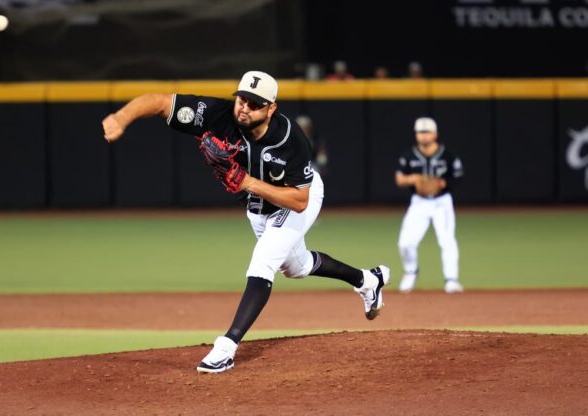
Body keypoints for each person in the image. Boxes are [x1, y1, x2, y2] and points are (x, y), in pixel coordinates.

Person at [102, 70, 390, 374]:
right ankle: (368, 280)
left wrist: (248, 182)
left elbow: (299, 201)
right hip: (257, 208)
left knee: (263, 261)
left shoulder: (290, 139)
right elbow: (160, 102)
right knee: (297, 266)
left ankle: (226, 347)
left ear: (271, 108)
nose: (244, 108)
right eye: (242, 99)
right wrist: (122, 118)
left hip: (296, 197)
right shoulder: (216, 114)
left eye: (255, 104)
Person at [394, 117, 464, 294]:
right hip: (419, 203)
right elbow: (399, 179)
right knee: (405, 242)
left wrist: (441, 183)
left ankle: (451, 279)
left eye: (427, 132)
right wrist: (414, 179)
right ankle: (411, 272)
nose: (423, 135)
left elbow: (458, 176)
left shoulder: (447, 155)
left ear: (435, 134)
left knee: (447, 240)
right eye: (420, 132)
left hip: (442, 202)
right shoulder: (408, 156)